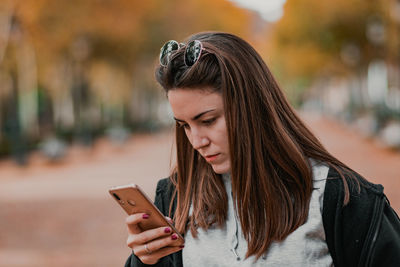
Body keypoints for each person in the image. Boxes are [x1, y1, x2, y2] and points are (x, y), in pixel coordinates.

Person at [123, 32, 400, 267]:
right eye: (184, 125)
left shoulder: (344, 200)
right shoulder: (175, 200)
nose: (196, 141)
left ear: (252, 107)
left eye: (207, 121)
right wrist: (144, 261)